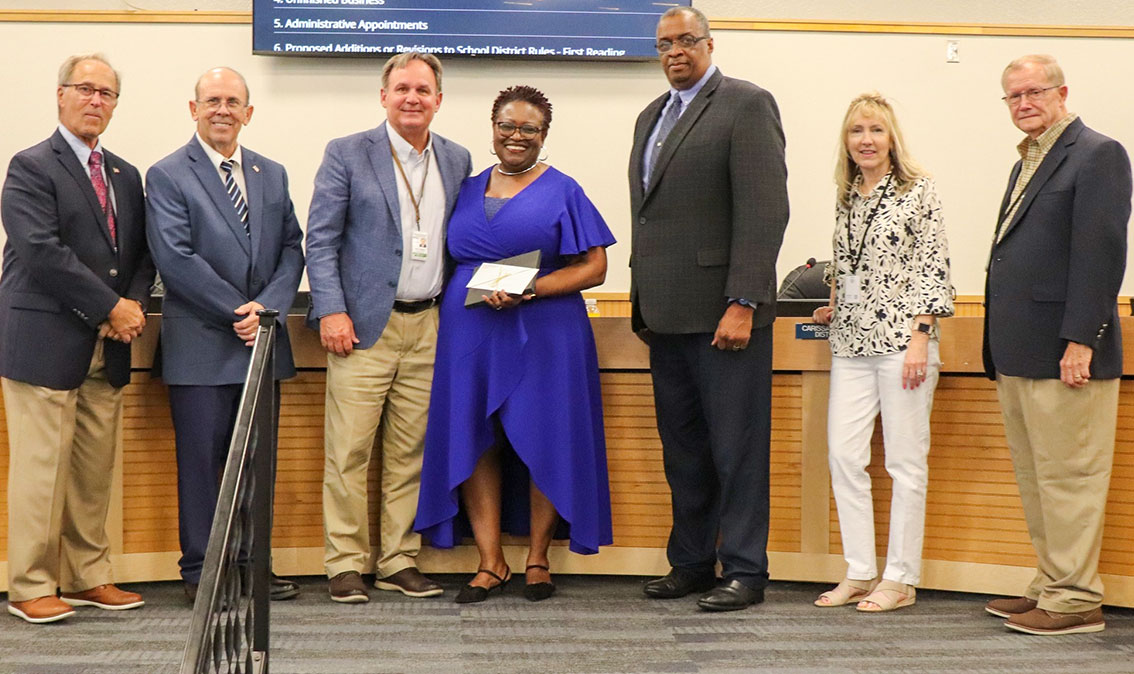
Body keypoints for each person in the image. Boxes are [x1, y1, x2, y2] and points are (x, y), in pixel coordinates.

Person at [415, 85, 616, 603]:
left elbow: (595, 266)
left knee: (546, 435)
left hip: (546, 330)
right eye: (507, 125)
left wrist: (532, 288)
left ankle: (538, 559)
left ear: (544, 135)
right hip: (470, 330)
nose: (517, 136)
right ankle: (490, 562)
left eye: (530, 128)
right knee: (474, 435)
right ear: (493, 128)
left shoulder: (563, 189)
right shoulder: (464, 188)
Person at [629, 6, 789, 612]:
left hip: (726, 318)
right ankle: (693, 563)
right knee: (685, 452)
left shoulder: (746, 104)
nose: (675, 51)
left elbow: (765, 210)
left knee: (737, 451)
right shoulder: (651, 115)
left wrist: (743, 300)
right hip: (664, 318)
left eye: (686, 40)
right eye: (664, 43)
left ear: (710, 44)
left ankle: (746, 569)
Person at [307, 52, 472, 603]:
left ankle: (398, 559)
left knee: (410, 454)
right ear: (383, 96)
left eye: (423, 90)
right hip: (360, 328)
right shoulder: (347, 152)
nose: (412, 98)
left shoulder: (457, 158)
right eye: (402, 88)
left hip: (429, 326)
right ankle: (345, 563)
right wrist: (331, 309)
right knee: (349, 453)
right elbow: (321, 240)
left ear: (438, 101)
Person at [0, 53, 153, 623]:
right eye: (85, 89)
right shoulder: (31, 166)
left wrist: (130, 305)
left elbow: (140, 254)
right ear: (60, 94)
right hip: (44, 339)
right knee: (41, 472)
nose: (95, 100)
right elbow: (42, 252)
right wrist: (110, 306)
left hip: (107, 345)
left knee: (93, 472)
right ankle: (30, 585)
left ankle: (89, 576)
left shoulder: (125, 175)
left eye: (106, 93)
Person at [145, 67, 305, 603]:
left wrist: (268, 309)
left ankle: (254, 568)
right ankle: (202, 572)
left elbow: (292, 248)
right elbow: (175, 257)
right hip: (201, 346)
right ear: (193, 109)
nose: (222, 110)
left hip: (261, 344)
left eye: (233, 102)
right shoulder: (168, 174)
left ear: (248, 113)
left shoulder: (271, 173)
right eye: (212, 100)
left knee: (258, 466)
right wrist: (240, 310)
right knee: (201, 465)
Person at [982, 54, 1130, 635]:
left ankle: (1075, 600)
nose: (1024, 103)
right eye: (1013, 96)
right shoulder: (1027, 160)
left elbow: (1100, 257)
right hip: (1021, 351)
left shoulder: (1097, 154)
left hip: (1067, 353)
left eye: (1035, 92)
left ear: (1062, 93)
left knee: (1071, 480)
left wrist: (1081, 341)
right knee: (1038, 479)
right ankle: (1051, 582)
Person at [810, 93, 953, 613]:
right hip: (851, 343)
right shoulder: (847, 195)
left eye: (875, 130)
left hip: (902, 344)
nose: (865, 140)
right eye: (856, 131)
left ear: (892, 138)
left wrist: (921, 335)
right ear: (846, 142)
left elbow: (932, 264)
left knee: (904, 463)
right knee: (844, 457)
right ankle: (860, 571)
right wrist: (833, 304)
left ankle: (900, 578)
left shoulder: (919, 190)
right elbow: (848, 262)